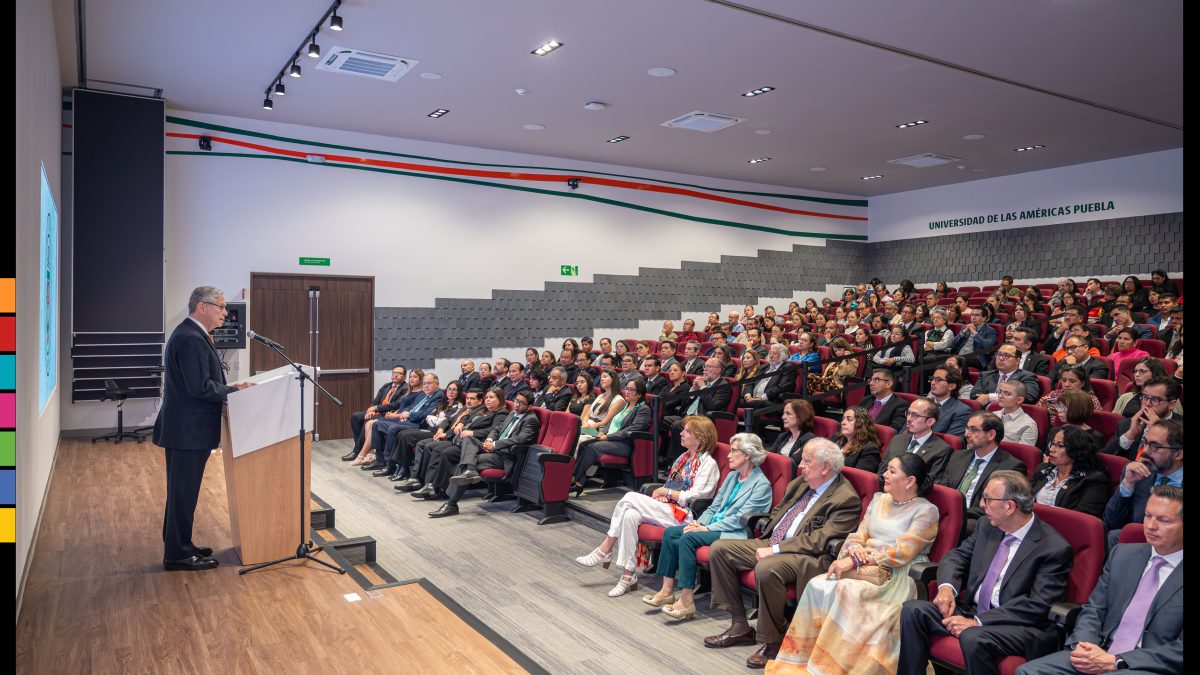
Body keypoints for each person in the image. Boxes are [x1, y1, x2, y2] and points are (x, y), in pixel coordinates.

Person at [769, 454, 940, 675]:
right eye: (886, 469)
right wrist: (854, 550)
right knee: (816, 584)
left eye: (892, 471)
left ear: (910, 481)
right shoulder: (879, 499)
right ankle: (801, 659)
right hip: (862, 566)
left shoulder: (926, 510)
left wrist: (858, 557)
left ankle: (832, 668)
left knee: (846, 590)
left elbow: (903, 551)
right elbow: (859, 534)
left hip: (896, 574)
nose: (884, 475)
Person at [704, 439, 863, 668]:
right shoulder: (802, 482)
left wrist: (775, 550)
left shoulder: (845, 498)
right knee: (720, 549)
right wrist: (771, 542)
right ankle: (739, 624)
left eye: (807, 462)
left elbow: (820, 540)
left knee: (768, 568)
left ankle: (773, 641)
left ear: (826, 466)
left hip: (808, 556)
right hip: (774, 541)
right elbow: (780, 510)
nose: (801, 466)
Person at [898, 471, 1073, 675]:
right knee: (913, 610)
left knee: (973, 636)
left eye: (988, 499)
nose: (981, 504)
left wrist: (978, 622)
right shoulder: (987, 526)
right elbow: (956, 557)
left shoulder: (1053, 547)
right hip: (973, 609)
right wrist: (946, 588)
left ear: (1009, 506)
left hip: (1018, 625)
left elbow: (1037, 605)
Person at [1016, 485, 1182, 675]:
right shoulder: (1123, 554)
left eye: (1164, 520)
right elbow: (1095, 608)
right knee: (1028, 671)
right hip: (1100, 650)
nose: (1151, 526)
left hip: (1148, 665)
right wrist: (1084, 645)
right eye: (1148, 515)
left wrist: (1117, 661)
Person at [155, 286, 254, 571]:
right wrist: (233, 390)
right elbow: (199, 386)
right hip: (188, 431)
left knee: (182, 494)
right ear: (202, 306)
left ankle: (181, 545)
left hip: (185, 429)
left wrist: (228, 389)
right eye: (221, 307)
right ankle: (177, 554)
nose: (225, 312)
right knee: (182, 494)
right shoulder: (191, 338)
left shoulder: (190, 334)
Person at [637, 433, 773, 618]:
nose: (728, 455)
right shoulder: (733, 477)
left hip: (736, 532)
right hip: (713, 526)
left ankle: (686, 600)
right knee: (671, 533)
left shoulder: (761, 485)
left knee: (688, 537)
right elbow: (715, 506)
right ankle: (667, 591)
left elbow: (739, 519)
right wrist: (698, 522)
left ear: (747, 454)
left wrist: (706, 528)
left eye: (733, 451)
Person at [431, 389, 542, 518]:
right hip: (493, 449)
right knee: (469, 439)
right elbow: (497, 429)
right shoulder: (513, 414)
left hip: (506, 456)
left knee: (469, 462)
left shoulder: (531, 420)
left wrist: (494, 445)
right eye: (516, 401)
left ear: (529, 407)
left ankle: (451, 503)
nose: (516, 404)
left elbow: (519, 439)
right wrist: (489, 440)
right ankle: (469, 471)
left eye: (521, 403)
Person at [409, 387, 508, 501]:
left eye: (491, 397)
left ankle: (437, 487)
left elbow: (493, 430)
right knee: (436, 448)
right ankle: (431, 485)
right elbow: (467, 416)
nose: (488, 400)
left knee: (445, 452)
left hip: (475, 444)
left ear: (500, 399)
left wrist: (472, 432)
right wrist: (461, 423)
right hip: (461, 440)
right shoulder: (484, 410)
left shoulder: (501, 413)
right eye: (486, 398)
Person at [938, 412, 1028, 532]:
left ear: (991, 435)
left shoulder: (1011, 467)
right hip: (947, 512)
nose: (966, 434)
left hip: (976, 520)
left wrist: (957, 511)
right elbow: (943, 489)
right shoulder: (958, 456)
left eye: (974, 430)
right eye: (967, 428)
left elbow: (998, 507)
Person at [572, 378, 652, 494]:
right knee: (584, 444)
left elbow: (631, 430)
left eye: (631, 389)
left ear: (639, 393)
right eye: (626, 388)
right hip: (612, 440)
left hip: (627, 444)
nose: (627, 391)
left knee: (592, 447)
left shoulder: (643, 409)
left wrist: (608, 437)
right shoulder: (625, 405)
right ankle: (578, 481)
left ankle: (575, 480)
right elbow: (613, 422)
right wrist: (603, 432)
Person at [1103, 419, 1183, 534]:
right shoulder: (1137, 473)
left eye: (1154, 446)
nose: (1145, 450)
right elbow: (1111, 522)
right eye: (1144, 443)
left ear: (1178, 454)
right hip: (1136, 542)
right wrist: (1128, 484)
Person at [385, 381, 463, 482]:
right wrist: (433, 419)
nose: (451, 392)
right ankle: (400, 467)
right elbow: (429, 416)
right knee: (402, 434)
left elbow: (444, 421)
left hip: (436, 433)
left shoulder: (459, 407)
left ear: (459, 392)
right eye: (449, 389)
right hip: (429, 429)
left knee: (406, 436)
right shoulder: (443, 403)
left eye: (454, 390)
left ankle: (404, 470)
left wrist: (433, 419)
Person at [1028, 426, 1108, 518]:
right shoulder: (1043, 469)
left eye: (1060, 446)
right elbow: (1025, 498)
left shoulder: (1094, 480)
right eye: (1053, 444)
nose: (1052, 449)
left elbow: (1083, 517)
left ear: (1076, 450)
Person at [1102, 378, 1182, 459]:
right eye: (1145, 397)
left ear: (1171, 404)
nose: (1147, 404)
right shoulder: (1126, 424)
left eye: (1155, 399)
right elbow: (1104, 459)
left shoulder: (1181, 427)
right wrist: (1130, 435)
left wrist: (1160, 431)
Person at [878, 397, 952, 484]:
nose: (908, 419)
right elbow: (881, 474)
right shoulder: (897, 440)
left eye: (915, 415)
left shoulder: (941, 450)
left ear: (930, 422)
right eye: (908, 413)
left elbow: (930, 485)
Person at [344, 364, 409, 461]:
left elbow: (396, 405)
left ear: (404, 377)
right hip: (378, 411)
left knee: (369, 420)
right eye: (394, 373)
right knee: (356, 416)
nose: (395, 375)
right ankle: (361, 447)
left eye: (399, 373)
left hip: (388, 414)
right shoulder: (386, 386)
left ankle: (357, 451)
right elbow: (375, 401)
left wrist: (376, 408)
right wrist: (371, 410)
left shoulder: (405, 388)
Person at [1112, 357, 1183, 418]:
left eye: (1142, 371)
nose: (1136, 374)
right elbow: (1114, 422)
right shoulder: (1125, 397)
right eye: (1135, 371)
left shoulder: (1168, 398)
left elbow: (1177, 423)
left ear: (1155, 372)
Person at [972, 343, 1041, 405]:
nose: (1001, 358)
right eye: (999, 354)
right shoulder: (985, 375)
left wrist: (990, 397)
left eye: (1006, 355)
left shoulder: (1027, 377)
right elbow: (974, 396)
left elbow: (1028, 397)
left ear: (1017, 361)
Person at [767, 399, 819, 467]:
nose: (783, 417)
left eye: (788, 413)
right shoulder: (783, 436)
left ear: (801, 416)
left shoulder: (810, 439)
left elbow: (793, 463)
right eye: (783, 413)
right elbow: (769, 455)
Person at [830, 406, 883, 472]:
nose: (843, 422)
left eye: (849, 419)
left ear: (861, 423)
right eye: (843, 419)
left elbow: (858, 478)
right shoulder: (837, 438)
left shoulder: (869, 449)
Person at [858, 369, 909, 433]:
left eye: (876, 380)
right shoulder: (865, 400)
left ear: (888, 384)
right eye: (870, 380)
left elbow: (893, 431)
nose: (871, 383)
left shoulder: (900, 405)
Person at [580, 367, 626, 438]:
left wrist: (590, 426)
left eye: (605, 377)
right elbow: (587, 415)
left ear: (613, 379)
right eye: (601, 377)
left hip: (598, 431)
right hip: (587, 427)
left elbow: (606, 422)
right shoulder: (600, 395)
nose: (601, 379)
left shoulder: (618, 400)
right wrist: (585, 423)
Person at [928, 366, 971, 437]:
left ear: (951, 386)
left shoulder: (961, 411)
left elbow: (951, 442)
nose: (932, 383)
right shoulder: (922, 403)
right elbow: (905, 432)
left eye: (938, 379)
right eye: (932, 379)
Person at [995, 380, 1039, 447]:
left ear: (1019, 400)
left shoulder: (1028, 425)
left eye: (1007, 394)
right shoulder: (992, 415)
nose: (1000, 396)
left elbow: (1023, 454)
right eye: (1000, 392)